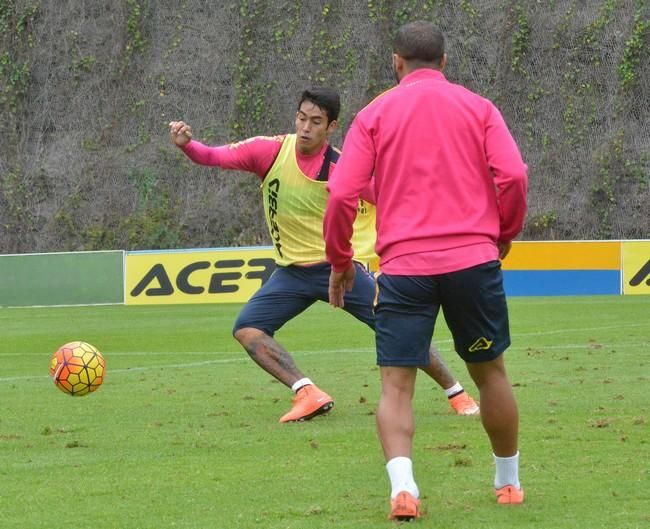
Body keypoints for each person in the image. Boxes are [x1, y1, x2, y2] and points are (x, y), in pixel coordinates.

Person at [169, 87, 479, 424]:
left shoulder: (343, 166)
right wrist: (188, 145)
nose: (305, 127)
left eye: (316, 122)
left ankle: (458, 394)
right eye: (302, 118)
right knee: (247, 329)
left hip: (339, 271)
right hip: (290, 274)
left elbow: (394, 200)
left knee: (399, 328)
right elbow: (213, 156)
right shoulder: (269, 151)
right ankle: (306, 392)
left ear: (331, 128)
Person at [324, 22, 528, 521]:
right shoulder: (478, 107)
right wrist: (502, 236)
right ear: (444, 61)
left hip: (404, 268)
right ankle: (508, 483)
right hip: (472, 262)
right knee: (490, 372)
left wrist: (340, 262)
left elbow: (342, 193)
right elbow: (514, 175)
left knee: (395, 385)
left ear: (397, 62)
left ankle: (404, 488)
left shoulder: (373, 114)